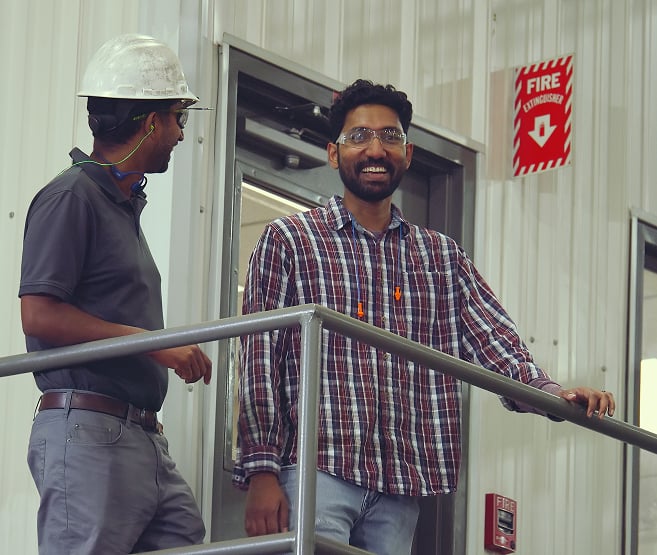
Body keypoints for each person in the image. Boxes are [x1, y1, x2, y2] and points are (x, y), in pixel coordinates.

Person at [233, 79, 616, 555]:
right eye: (359, 137)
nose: (376, 148)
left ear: (408, 154)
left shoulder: (440, 257)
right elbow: (258, 363)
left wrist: (554, 394)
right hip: (316, 467)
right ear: (333, 154)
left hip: (401, 484)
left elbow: (497, 346)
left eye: (390, 137)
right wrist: (262, 471)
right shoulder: (289, 241)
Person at [19, 34, 212, 554]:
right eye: (178, 118)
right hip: (88, 431)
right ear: (151, 122)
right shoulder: (71, 195)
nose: (179, 133)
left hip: (136, 433)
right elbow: (37, 314)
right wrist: (151, 343)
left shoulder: (121, 205)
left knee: (184, 538)